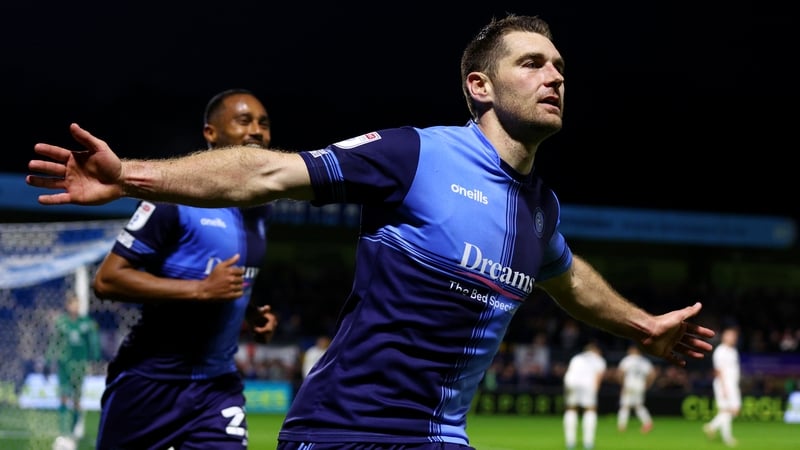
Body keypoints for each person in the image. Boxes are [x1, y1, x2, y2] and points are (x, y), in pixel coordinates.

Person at [27, 14, 716, 449]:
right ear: (479, 85)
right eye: (532, 63)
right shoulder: (413, 154)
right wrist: (130, 176)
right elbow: (266, 172)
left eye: (561, 67)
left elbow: (568, 280)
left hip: (444, 438)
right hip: (345, 432)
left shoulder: (540, 210)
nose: (555, 76)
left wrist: (641, 325)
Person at [89, 88, 278, 449]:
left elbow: (222, 278)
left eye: (263, 123)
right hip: (149, 382)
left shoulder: (262, 210)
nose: (257, 130)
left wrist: (249, 313)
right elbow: (107, 279)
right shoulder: (171, 199)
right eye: (244, 121)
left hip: (217, 388)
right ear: (211, 134)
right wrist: (201, 290)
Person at [46, 292, 101, 444]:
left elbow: (94, 343)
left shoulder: (87, 323)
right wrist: (48, 360)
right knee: (64, 396)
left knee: (76, 399)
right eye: (72, 304)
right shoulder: (61, 322)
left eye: (77, 304)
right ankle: (63, 433)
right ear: (67, 305)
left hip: (79, 365)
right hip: (64, 364)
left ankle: (72, 432)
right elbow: (54, 342)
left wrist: (95, 358)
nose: (75, 307)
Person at [562, 341, 606, 450]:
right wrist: (595, 391)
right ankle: (588, 443)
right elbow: (598, 376)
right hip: (588, 384)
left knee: (571, 409)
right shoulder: (599, 359)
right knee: (590, 410)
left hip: (571, 382)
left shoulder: (577, 357)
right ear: (597, 351)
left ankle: (570, 443)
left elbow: (569, 371)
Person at [703, 326, 741, 447]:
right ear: (724, 337)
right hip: (724, 384)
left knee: (727, 411)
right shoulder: (720, 351)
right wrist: (724, 387)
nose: (733, 338)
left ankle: (714, 428)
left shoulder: (733, 351)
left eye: (734, 336)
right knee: (731, 410)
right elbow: (718, 370)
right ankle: (721, 433)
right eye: (731, 335)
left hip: (732, 384)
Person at [616, 344, 656, 434]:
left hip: (629, 385)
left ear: (632, 350)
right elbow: (653, 374)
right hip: (640, 386)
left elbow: (620, 373)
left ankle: (621, 426)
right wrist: (648, 384)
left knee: (625, 406)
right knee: (639, 406)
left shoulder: (628, 359)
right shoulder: (644, 361)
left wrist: (622, 384)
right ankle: (648, 422)